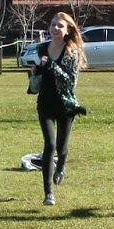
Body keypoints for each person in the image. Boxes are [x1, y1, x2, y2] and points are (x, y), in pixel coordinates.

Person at [29, 11, 87, 206]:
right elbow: (39, 77)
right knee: (50, 145)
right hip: (45, 103)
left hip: (65, 105)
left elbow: (71, 82)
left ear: (68, 30)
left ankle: (61, 166)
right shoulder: (42, 48)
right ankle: (48, 193)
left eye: (60, 26)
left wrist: (52, 66)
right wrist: (35, 72)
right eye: (53, 24)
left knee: (61, 147)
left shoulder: (71, 52)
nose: (55, 28)